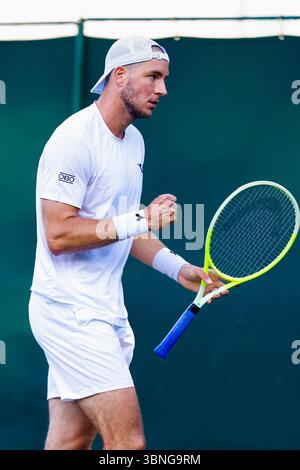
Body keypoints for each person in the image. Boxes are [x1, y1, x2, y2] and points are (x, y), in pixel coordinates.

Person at [29, 36, 228, 450]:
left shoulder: (134, 141)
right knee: (129, 444)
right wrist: (140, 218)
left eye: (164, 79)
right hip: (70, 313)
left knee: (70, 441)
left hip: (103, 310)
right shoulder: (74, 140)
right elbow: (59, 234)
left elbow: (123, 227)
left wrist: (179, 269)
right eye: (152, 77)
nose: (163, 89)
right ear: (120, 77)